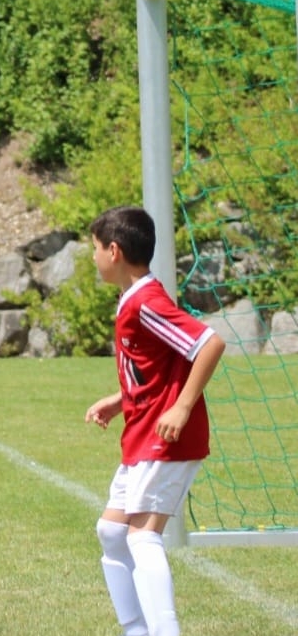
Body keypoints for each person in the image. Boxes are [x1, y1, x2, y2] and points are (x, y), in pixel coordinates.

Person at [83, 205, 226, 636]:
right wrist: (120, 400)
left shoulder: (147, 302)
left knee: (142, 536)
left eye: (94, 248)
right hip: (142, 432)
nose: (93, 257)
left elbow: (209, 344)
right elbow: (156, 368)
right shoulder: (135, 299)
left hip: (165, 439)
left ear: (114, 251)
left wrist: (181, 407)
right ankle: (136, 630)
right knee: (111, 531)